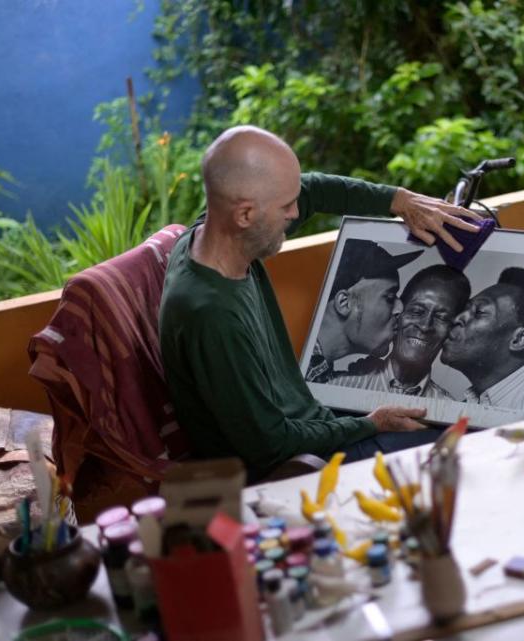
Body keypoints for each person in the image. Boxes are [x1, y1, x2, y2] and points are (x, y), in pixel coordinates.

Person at [158, 125, 481, 481]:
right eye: (286, 206)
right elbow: (269, 445)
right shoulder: (211, 316)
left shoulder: (213, 233)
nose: (297, 212)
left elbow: (314, 190)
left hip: (313, 422)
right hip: (292, 463)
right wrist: (369, 424)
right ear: (246, 215)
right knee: (466, 445)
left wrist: (400, 201)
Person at [330, 265, 470, 398]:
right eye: (416, 311)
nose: (425, 326)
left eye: (441, 318)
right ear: (398, 313)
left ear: (452, 329)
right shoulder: (338, 385)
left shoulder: (451, 411)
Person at [306, 239, 422, 384]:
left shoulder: (315, 375)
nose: (400, 308)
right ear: (344, 303)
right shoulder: (292, 372)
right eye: (390, 297)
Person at [441, 267, 524, 410]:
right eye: (464, 308)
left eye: (479, 312)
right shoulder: (471, 403)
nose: (456, 318)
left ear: (519, 339)